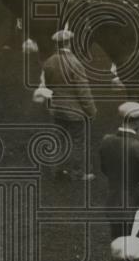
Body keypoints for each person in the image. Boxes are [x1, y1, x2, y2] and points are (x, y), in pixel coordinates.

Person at [41, 29, 97, 181]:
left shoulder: (49, 62)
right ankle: (79, 173)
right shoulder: (75, 63)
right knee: (78, 142)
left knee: (59, 140)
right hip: (75, 111)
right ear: (69, 43)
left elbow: (48, 86)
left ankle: (58, 171)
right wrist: (91, 110)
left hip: (57, 108)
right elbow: (83, 91)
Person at [100, 102, 139, 239]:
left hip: (112, 202)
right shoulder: (138, 146)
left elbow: (104, 170)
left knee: (117, 242)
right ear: (137, 123)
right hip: (133, 205)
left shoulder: (106, 140)